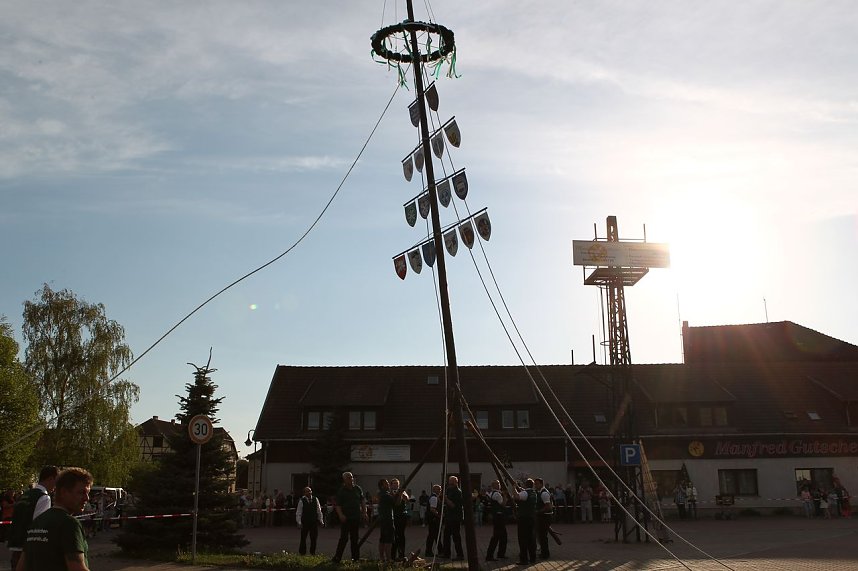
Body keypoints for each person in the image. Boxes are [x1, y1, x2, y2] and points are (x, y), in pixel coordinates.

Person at [16, 466, 93, 571]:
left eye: (88, 493)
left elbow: (21, 567)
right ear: (64, 492)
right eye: (81, 492)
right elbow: (77, 568)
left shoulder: (37, 521)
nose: (87, 498)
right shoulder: (69, 523)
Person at [8, 465, 59, 571]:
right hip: (29, 550)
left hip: (16, 544)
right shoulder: (44, 497)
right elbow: (40, 526)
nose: (56, 486)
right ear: (51, 479)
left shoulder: (25, 495)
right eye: (56, 481)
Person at [332, 472, 368, 563]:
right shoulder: (342, 491)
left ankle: (355, 558)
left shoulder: (357, 489)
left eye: (351, 477)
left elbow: (362, 501)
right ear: (344, 480)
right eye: (348, 478)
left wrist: (364, 512)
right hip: (346, 518)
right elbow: (338, 505)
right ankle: (337, 557)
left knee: (354, 538)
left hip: (356, 517)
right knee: (344, 538)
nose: (351, 479)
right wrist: (341, 515)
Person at [515, 478, 537, 565]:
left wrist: (513, 489)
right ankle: (533, 558)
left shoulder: (525, 493)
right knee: (531, 538)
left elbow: (517, 497)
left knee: (522, 538)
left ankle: (524, 559)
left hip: (523, 518)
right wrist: (522, 490)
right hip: (531, 517)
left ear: (525, 485)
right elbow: (524, 494)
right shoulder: (534, 493)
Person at [441, 476, 464, 560]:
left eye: (452, 483)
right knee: (446, 536)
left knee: (456, 536)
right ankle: (446, 554)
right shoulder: (449, 490)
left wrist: (445, 499)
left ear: (456, 483)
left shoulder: (458, 492)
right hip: (449, 517)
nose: (450, 484)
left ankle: (460, 555)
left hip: (455, 517)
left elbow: (453, 505)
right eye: (449, 482)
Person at [296, 486, 323, 555]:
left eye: (310, 491)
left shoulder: (315, 499)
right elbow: (299, 512)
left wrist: (321, 520)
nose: (309, 492)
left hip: (313, 521)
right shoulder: (302, 500)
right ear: (304, 493)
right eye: (307, 491)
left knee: (314, 538)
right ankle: (302, 552)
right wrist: (299, 522)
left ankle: (312, 552)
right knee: (303, 538)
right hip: (305, 521)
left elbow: (319, 510)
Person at [485, 480, 507, 562]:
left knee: (503, 536)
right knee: (496, 536)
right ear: (493, 485)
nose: (499, 485)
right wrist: (505, 496)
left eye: (498, 484)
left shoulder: (493, 493)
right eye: (497, 484)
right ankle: (489, 555)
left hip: (497, 516)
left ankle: (501, 554)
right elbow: (503, 504)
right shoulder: (497, 494)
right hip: (499, 517)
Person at [534, 478, 553, 559]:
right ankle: (544, 552)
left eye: (537, 484)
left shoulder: (544, 493)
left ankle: (545, 554)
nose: (535, 485)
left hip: (545, 517)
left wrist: (538, 512)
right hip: (543, 516)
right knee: (542, 536)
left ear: (541, 484)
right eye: (535, 484)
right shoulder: (540, 492)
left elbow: (548, 507)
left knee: (543, 536)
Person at [390, 478, 409, 560]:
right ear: (391, 485)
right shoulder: (389, 493)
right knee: (394, 536)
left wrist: (401, 493)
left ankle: (402, 554)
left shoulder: (402, 492)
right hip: (394, 516)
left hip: (402, 516)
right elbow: (396, 503)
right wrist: (398, 494)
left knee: (401, 535)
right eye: (394, 483)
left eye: (397, 483)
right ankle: (393, 555)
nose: (396, 485)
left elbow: (407, 499)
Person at [377, 479, 395, 563]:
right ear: (382, 486)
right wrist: (399, 494)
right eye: (386, 483)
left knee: (383, 539)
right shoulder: (386, 495)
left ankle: (382, 558)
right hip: (388, 519)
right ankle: (388, 559)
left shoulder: (381, 494)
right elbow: (396, 503)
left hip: (383, 519)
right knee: (388, 540)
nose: (388, 485)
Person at [424, 484, 442, 557]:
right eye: (438, 489)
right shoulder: (434, 498)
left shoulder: (434, 497)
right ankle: (429, 551)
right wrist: (439, 515)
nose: (440, 491)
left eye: (440, 489)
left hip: (432, 519)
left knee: (434, 535)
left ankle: (439, 550)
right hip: (433, 519)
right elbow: (432, 509)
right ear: (434, 490)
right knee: (433, 535)